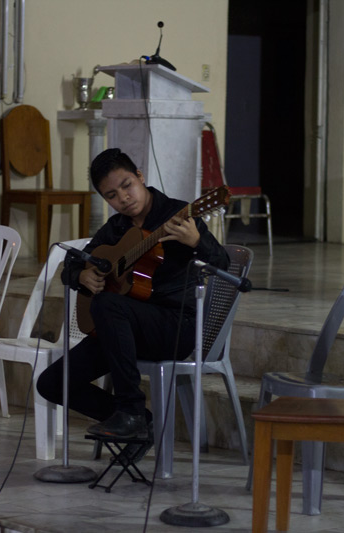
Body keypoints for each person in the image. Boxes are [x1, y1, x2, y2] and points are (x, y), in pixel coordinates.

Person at [36, 148, 229, 443]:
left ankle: (132, 412)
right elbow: (73, 265)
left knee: (109, 304)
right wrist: (81, 276)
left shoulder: (178, 214)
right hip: (125, 330)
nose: (123, 199)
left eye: (127, 186)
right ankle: (144, 423)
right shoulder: (116, 228)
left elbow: (223, 266)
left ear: (140, 177)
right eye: (112, 195)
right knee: (52, 383)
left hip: (175, 325)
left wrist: (197, 242)